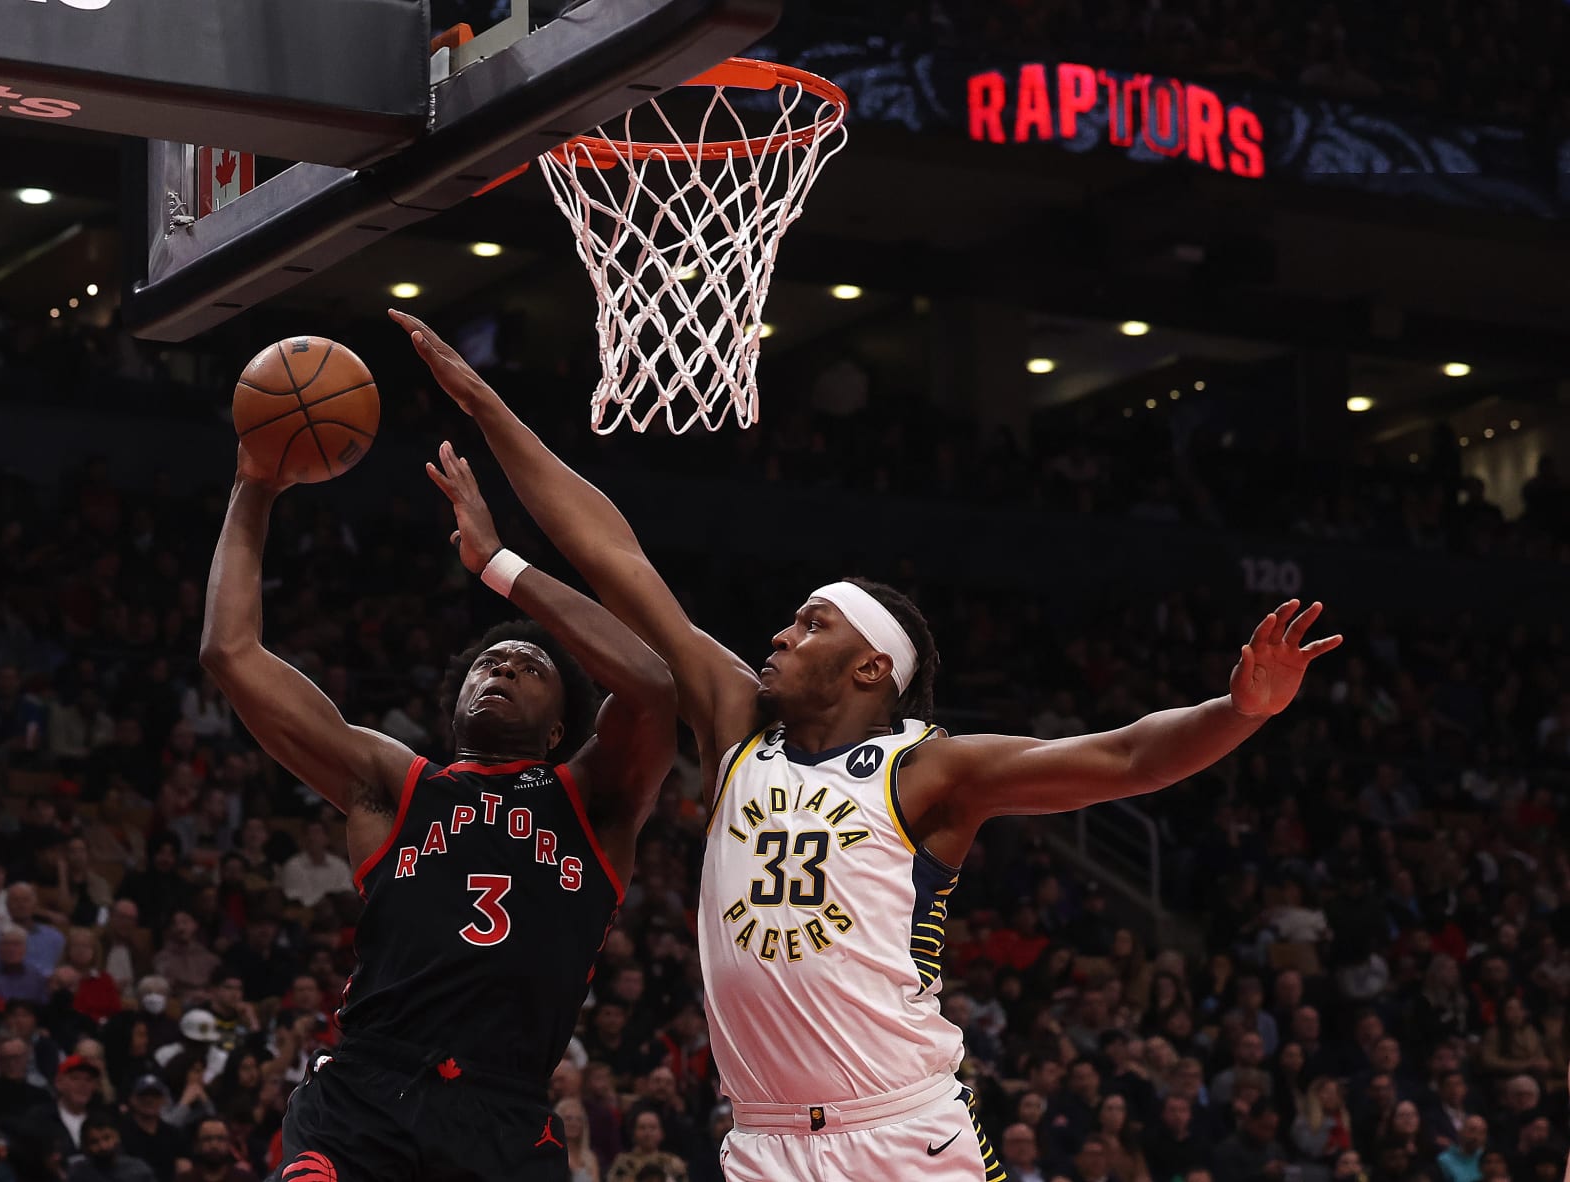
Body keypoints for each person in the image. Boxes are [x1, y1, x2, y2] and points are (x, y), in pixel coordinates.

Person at [395, 308, 1343, 1181]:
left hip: (901, 1134)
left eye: (811, 626)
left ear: (870, 671)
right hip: (762, 1138)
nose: (778, 635)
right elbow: (615, 554)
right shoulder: (736, 728)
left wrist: (1241, 710)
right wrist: (482, 413)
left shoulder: (930, 770)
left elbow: (1130, 758)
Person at [199, 433, 676, 1182]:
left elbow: (652, 687)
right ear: (455, 701)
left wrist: (500, 568)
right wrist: (253, 484)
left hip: (504, 1114)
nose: (506, 666)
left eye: (530, 668)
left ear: (560, 728)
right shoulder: (394, 784)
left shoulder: (594, 800)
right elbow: (229, 652)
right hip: (365, 1098)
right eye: (490, 662)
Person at [68, 1112, 155, 1182]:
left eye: (107, 1138)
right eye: (94, 1142)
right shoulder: (79, 1175)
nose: (103, 1146)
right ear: (86, 1146)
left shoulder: (139, 1171)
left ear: (117, 1137)